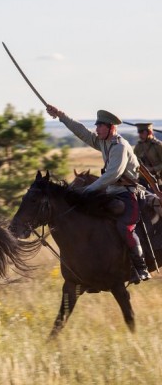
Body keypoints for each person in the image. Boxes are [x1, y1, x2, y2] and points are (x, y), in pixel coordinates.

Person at [46, 105, 151, 284]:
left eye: (100, 126)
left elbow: (112, 175)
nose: (96, 129)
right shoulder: (103, 141)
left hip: (127, 194)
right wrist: (61, 116)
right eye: (97, 126)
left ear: (111, 127)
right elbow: (82, 132)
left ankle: (141, 268)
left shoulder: (119, 146)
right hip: (110, 193)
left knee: (124, 228)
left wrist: (86, 191)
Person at [133, 123, 162, 188]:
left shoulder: (158, 146)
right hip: (143, 179)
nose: (140, 135)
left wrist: (152, 169)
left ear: (149, 132)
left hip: (158, 179)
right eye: (139, 132)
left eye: (142, 132)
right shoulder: (138, 147)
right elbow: (134, 163)